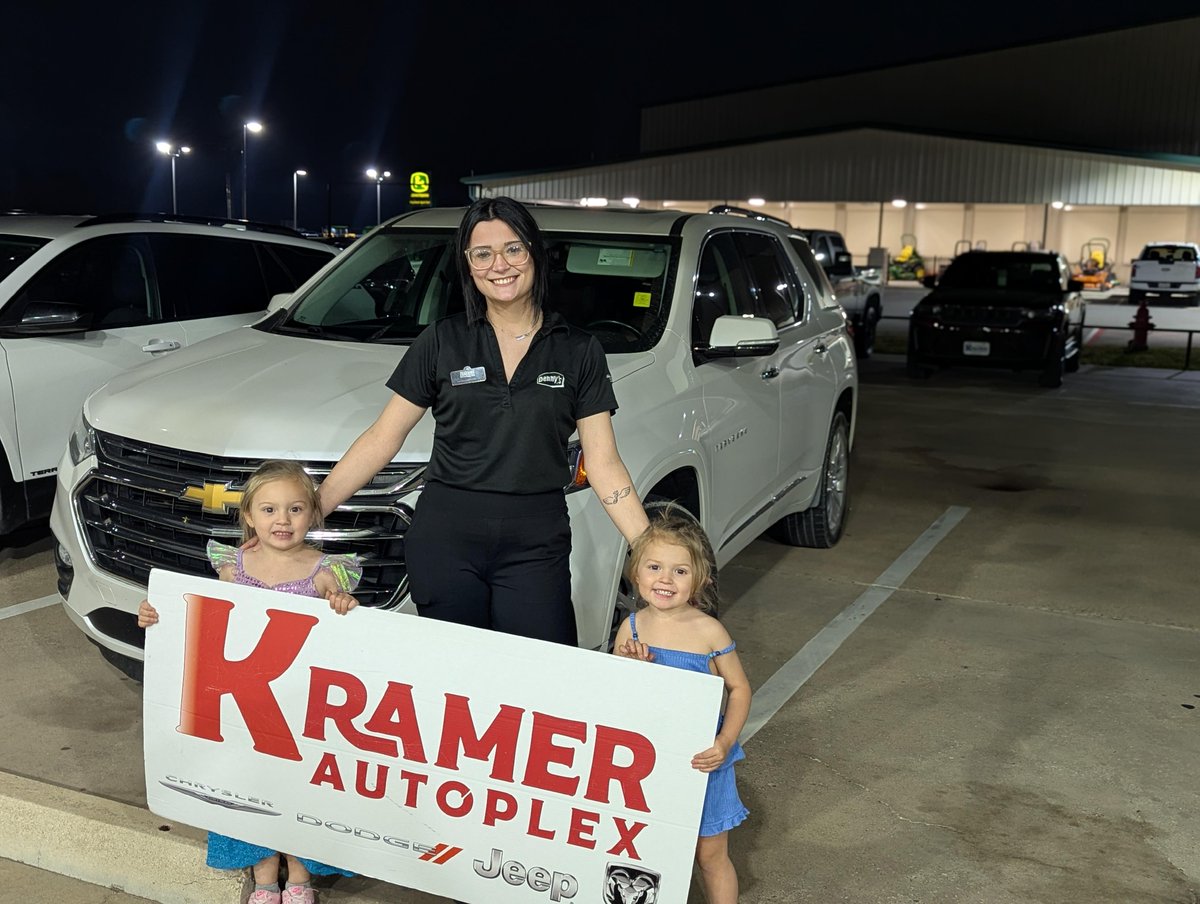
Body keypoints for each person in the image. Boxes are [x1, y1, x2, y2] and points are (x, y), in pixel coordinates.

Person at [316, 195, 650, 644]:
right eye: (483, 253)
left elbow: (605, 463)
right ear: (469, 265)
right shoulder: (442, 341)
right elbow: (382, 438)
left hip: (535, 539)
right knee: (457, 676)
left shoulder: (577, 350)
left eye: (513, 248)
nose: (500, 265)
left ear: (534, 252)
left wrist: (649, 546)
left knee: (540, 669)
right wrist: (313, 509)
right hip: (446, 536)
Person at [138, 459, 362, 904]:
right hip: (243, 705)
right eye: (270, 510)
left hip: (299, 706)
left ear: (313, 514)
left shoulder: (327, 571)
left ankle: (298, 877)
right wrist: (158, 616)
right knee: (249, 783)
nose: (283, 520)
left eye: (296, 509)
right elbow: (203, 616)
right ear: (248, 516)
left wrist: (342, 603)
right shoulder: (231, 565)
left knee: (298, 785)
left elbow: (345, 630)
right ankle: (264, 878)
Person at [613, 510, 750, 904]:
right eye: (654, 567)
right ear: (636, 574)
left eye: (680, 571)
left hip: (701, 760)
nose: (665, 580)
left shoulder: (709, 631)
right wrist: (632, 667)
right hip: (649, 761)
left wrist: (724, 742)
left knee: (710, 854)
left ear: (701, 579)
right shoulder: (632, 628)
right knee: (650, 848)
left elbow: (739, 689)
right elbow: (615, 693)